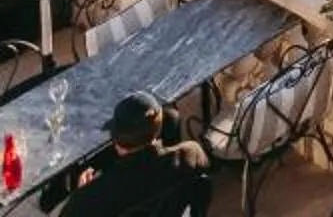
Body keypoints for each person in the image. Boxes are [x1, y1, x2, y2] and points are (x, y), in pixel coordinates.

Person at [40, 91, 212, 217]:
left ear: (116, 143)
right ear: (158, 130)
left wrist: (83, 193)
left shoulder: (88, 200)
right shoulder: (192, 153)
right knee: (173, 116)